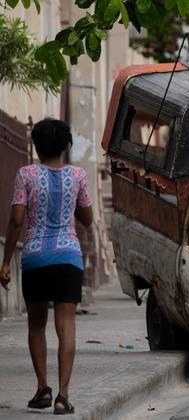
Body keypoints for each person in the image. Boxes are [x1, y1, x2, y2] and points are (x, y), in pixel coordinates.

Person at [1, 119, 93, 414]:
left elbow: (17, 219)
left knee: (36, 324)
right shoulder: (78, 175)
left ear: (36, 147)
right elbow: (87, 219)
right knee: (66, 326)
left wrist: (5, 262)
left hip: (36, 258)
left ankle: (42, 388)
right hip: (68, 258)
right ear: (66, 146)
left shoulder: (25, 174)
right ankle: (63, 396)